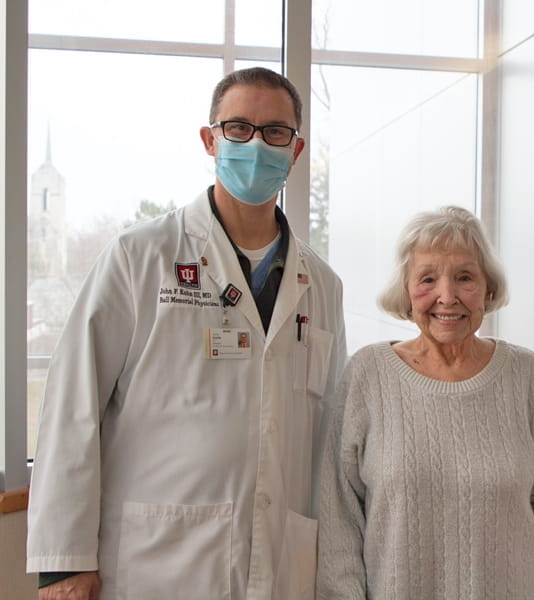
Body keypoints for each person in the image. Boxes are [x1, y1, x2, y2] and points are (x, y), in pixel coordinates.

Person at [27, 67, 347, 600]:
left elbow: (329, 437)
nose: (256, 144)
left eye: (275, 132)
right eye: (238, 128)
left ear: (295, 151)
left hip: (281, 562)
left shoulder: (323, 286)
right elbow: (71, 405)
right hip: (158, 562)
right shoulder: (140, 257)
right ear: (210, 139)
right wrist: (64, 562)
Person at [316, 206, 534, 599]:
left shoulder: (528, 376)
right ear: (406, 290)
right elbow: (338, 518)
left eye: (465, 277)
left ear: (488, 289)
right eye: (428, 278)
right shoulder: (368, 375)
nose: (447, 296)